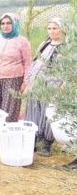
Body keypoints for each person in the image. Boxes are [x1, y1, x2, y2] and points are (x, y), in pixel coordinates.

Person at [24, 17, 64, 156]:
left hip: (52, 87)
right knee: (34, 112)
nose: (52, 31)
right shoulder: (44, 44)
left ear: (62, 29)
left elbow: (70, 71)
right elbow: (35, 63)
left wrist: (62, 88)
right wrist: (28, 80)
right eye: (49, 28)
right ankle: (33, 139)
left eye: (55, 28)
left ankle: (46, 144)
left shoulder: (66, 47)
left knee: (47, 115)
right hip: (36, 84)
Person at [0, 13, 32, 122]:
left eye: (9, 23)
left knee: (9, 109)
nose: (5, 26)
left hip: (13, 79)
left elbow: (28, 64)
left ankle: (7, 133)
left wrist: (25, 82)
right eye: (3, 23)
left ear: (15, 24)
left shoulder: (22, 41)